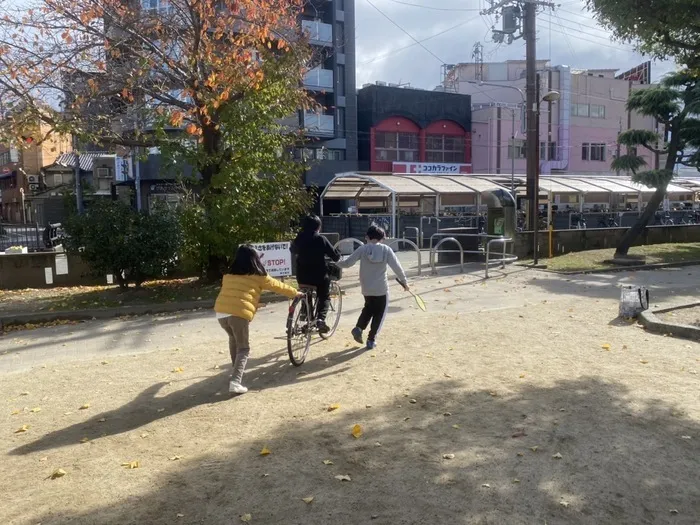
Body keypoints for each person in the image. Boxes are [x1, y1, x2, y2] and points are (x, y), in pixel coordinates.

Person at [214, 245, 302, 395]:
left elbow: (237, 293)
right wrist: (295, 293)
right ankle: (235, 382)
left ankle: (235, 372)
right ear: (254, 260)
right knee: (244, 348)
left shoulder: (228, 275)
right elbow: (278, 286)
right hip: (238, 314)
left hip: (221, 313)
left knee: (233, 340)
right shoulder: (259, 276)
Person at [336, 224, 408, 350]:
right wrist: (404, 282)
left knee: (368, 308)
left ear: (367, 237)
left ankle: (359, 328)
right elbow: (397, 267)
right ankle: (371, 339)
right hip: (381, 288)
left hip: (366, 288)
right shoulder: (386, 250)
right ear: (383, 238)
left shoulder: (362, 249)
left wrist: (335, 262)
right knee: (379, 314)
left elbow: (347, 263)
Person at [291, 214, 341, 333]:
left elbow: (292, 250)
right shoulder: (321, 239)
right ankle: (320, 319)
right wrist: (338, 253)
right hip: (319, 276)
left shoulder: (299, 238)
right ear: (318, 227)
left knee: (305, 294)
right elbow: (335, 256)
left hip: (302, 276)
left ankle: (306, 314)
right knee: (324, 296)